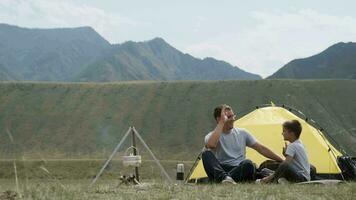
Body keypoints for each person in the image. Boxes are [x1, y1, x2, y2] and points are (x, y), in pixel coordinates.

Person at [202, 104, 283, 184]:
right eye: (229, 117)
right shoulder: (211, 136)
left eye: (233, 116)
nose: (233, 119)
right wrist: (222, 122)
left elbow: (261, 148)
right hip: (222, 169)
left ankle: (226, 180)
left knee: (248, 164)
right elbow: (211, 145)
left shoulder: (242, 133)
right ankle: (225, 178)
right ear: (219, 119)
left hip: (240, 168)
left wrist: (282, 161)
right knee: (206, 154)